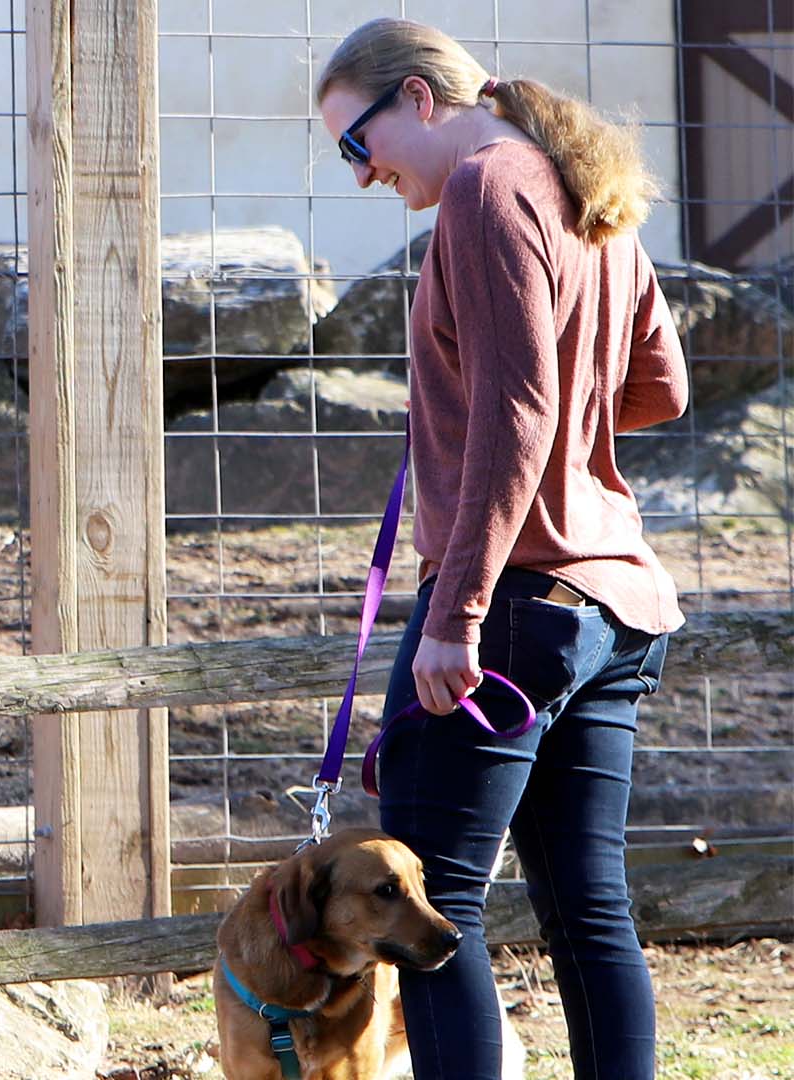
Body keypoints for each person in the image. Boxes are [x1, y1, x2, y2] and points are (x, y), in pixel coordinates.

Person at [315, 18, 688, 1080]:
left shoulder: (487, 187)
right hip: (609, 608)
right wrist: (564, 408)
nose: (361, 175)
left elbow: (518, 410)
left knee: (433, 912)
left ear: (421, 99)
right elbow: (663, 389)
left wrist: (456, 613)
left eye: (357, 144)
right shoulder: (585, 184)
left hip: (515, 605)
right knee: (590, 910)